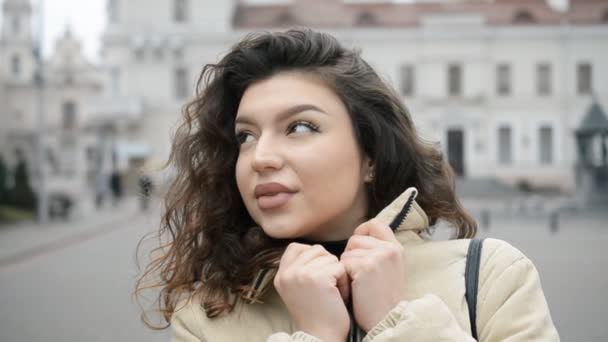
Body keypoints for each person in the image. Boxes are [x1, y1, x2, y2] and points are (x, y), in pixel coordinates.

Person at [136, 29, 559, 341]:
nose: (260, 156)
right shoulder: (207, 317)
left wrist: (396, 321)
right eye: (246, 136)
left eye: (299, 126)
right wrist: (316, 335)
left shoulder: (489, 277)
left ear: (370, 157)